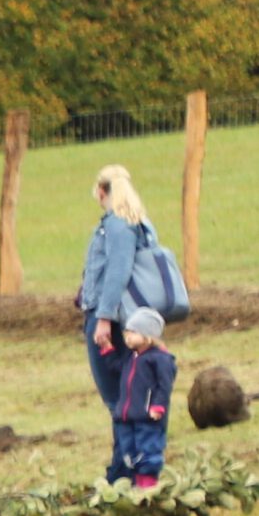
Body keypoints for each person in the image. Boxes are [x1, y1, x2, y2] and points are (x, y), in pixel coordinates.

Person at [77, 165, 168, 410]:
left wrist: (103, 318)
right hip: (126, 314)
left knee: (116, 391)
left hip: (113, 317)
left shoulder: (118, 225)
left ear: (102, 191)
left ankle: (129, 445)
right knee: (131, 387)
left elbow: (118, 271)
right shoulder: (138, 221)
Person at [108, 308, 176, 488]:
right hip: (126, 416)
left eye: (133, 332)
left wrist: (158, 406)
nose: (127, 337)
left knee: (148, 449)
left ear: (148, 336)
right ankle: (135, 483)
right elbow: (116, 368)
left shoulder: (160, 359)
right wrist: (107, 350)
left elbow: (165, 385)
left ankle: (148, 485)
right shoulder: (132, 357)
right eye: (127, 332)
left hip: (147, 417)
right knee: (129, 452)